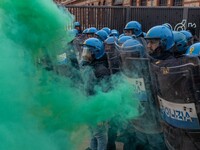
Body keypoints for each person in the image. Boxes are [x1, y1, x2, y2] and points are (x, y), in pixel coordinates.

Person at [81, 37, 110, 150]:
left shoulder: (101, 70)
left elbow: (105, 92)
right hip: (90, 105)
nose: (84, 54)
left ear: (95, 53)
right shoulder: (89, 66)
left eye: (87, 51)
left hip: (98, 109)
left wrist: (102, 115)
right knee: (93, 134)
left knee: (100, 135)